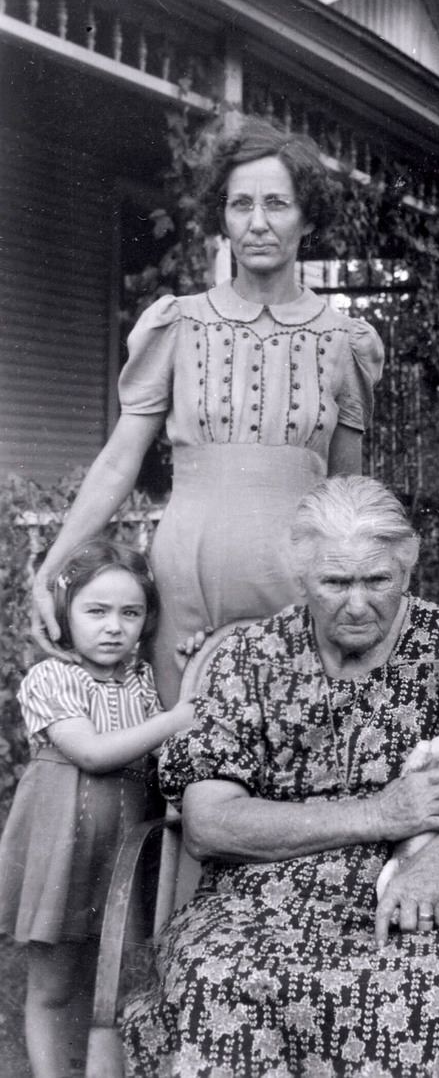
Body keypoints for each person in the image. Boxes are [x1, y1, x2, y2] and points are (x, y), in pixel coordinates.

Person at [122, 475, 439, 1077]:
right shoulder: (252, 659)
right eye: (335, 582)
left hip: (411, 897)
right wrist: (379, 813)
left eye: (378, 580)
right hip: (253, 902)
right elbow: (208, 823)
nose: (359, 603)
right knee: (218, 977)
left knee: (422, 995)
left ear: (408, 567)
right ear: (300, 574)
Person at [31, 116, 384, 706]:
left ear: (308, 218)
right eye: (240, 204)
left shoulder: (344, 341)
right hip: (185, 588)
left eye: (278, 204)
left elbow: (349, 492)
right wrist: (51, 568)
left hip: (300, 592)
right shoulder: (179, 324)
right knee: (189, 763)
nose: (258, 223)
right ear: (223, 217)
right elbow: (120, 462)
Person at [0, 539, 195, 1078]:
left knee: (112, 982)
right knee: (56, 983)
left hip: (124, 851)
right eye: (96, 611)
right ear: (64, 615)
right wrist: (180, 716)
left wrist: (190, 657)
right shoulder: (52, 679)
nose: (114, 626)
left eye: (130, 613)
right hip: (64, 843)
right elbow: (93, 752)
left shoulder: (147, 680)